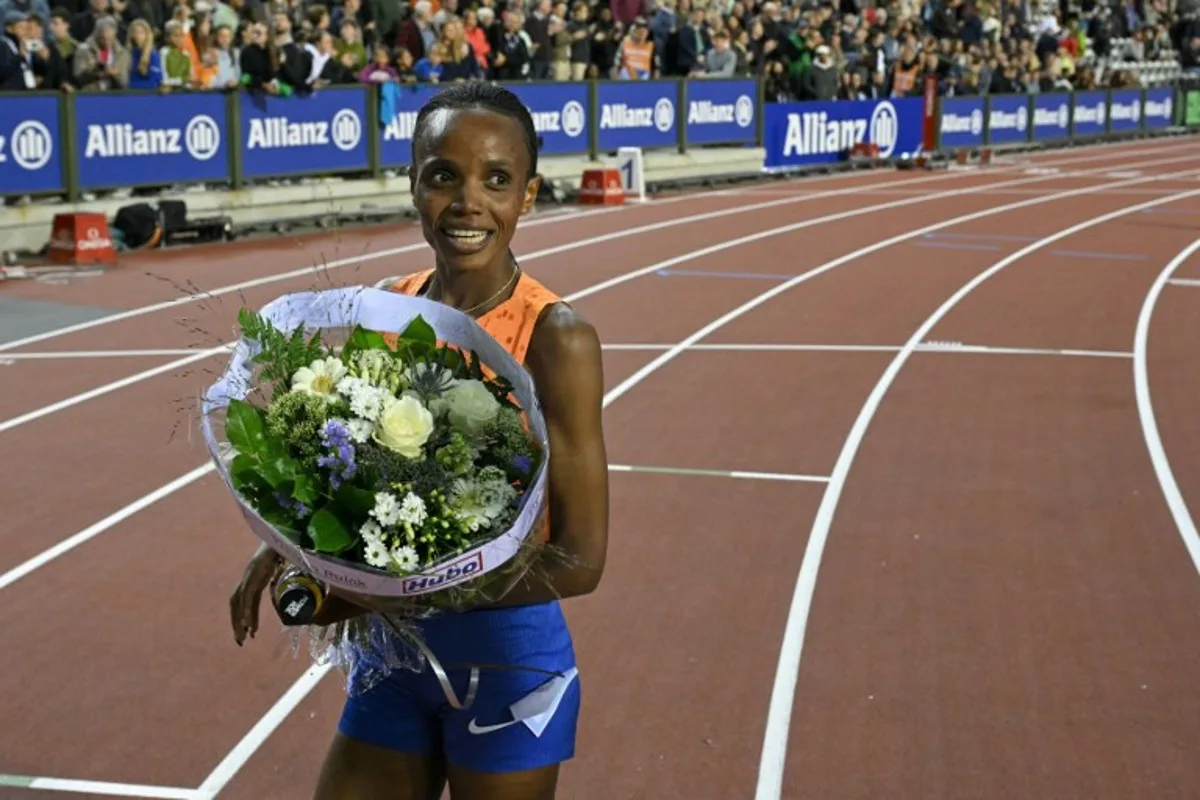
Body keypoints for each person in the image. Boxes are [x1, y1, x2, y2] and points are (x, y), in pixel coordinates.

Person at [228, 81, 610, 800]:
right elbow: (350, 469)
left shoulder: (559, 339)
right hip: (394, 657)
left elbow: (582, 561)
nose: (468, 201)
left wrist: (412, 591)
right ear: (412, 185)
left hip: (507, 666)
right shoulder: (391, 309)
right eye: (443, 175)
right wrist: (283, 543)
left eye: (497, 179)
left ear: (528, 196)